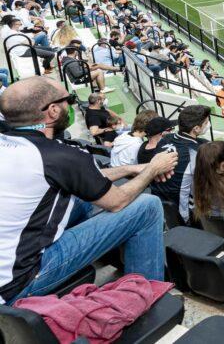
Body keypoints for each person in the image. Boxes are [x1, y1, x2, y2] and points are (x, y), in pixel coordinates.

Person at [0, 76, 178, 302]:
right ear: (53, 110)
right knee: (148, 207)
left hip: (8, 265)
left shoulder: (23, 148)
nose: (71, 105)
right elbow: (118, 201)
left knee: (83, 199)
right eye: (69, 99)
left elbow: (80, 178)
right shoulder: (61, 157)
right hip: (19, 281)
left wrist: (131, 169)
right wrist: (152, 169)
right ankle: (147, 298)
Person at [149, 105, 211, 223]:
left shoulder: (165, 138)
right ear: (196, 129)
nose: (208, 125)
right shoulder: (197, 153)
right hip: (184, 212)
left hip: (160, 204)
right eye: (206, 122)